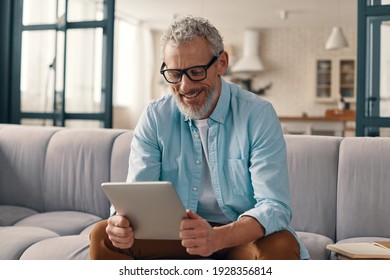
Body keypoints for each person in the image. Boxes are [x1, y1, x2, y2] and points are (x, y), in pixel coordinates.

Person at [90, 15, 309, 260]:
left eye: (196, 71)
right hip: (177, 236)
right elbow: (136, 197)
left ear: (221, 63)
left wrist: (218, 238)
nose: (184, 87)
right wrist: (120, 222)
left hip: (239, 236)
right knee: (101, 235)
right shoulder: (155, 116)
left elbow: (274, 206)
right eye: (174, 73)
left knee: (281, 245)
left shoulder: (258, 115)